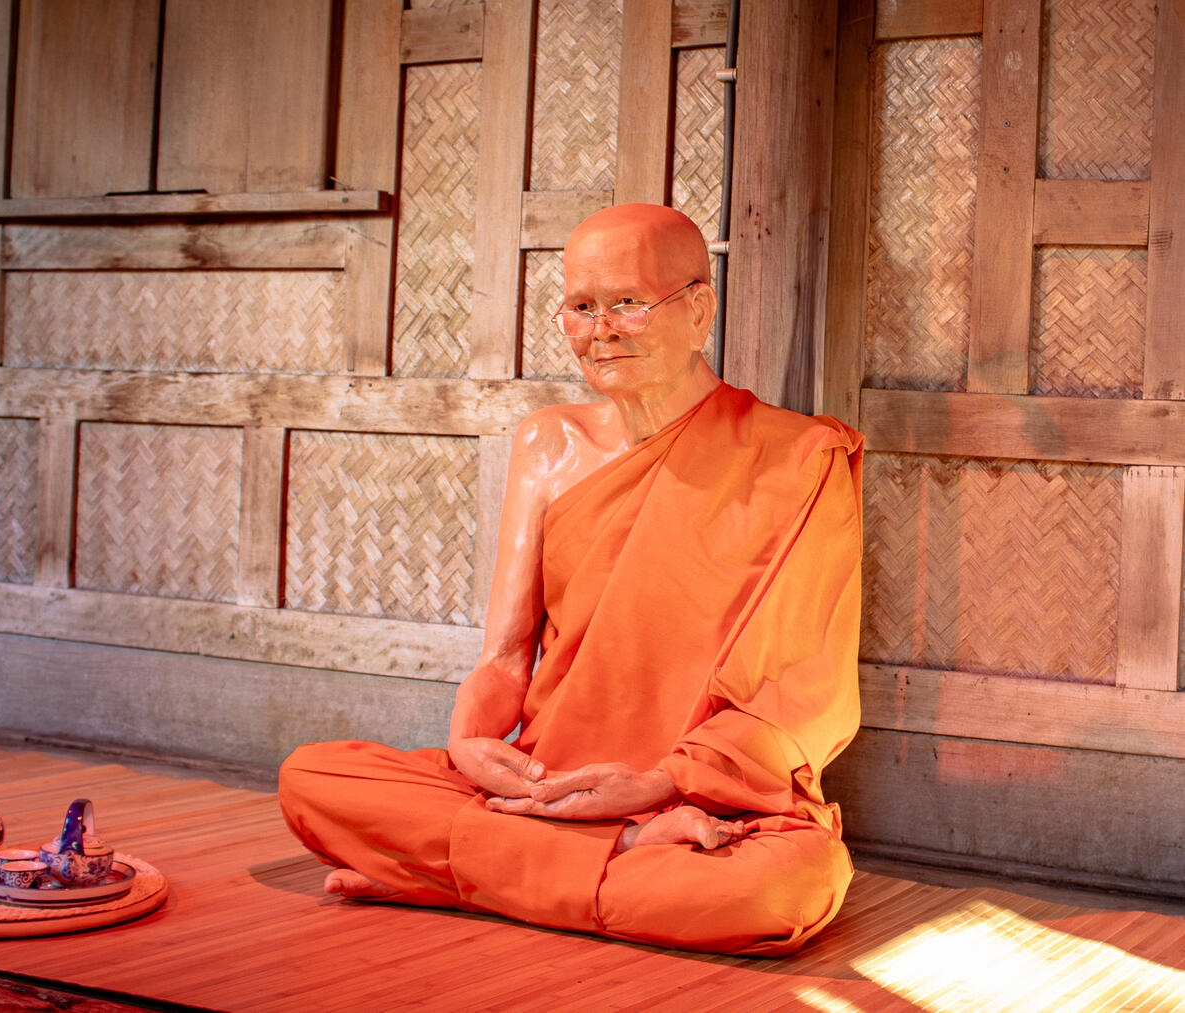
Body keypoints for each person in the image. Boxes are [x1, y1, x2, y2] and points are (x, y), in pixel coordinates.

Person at [279, 202, 864, 955]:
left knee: (779, 884)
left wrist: (656, 785)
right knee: (311, 777)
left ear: (699, 309)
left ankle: (462, 875)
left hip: (695, 795)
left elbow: (804, 691)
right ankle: (623, 853)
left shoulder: (799, 458)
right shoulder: (550, 441)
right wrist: (472, 740)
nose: (601, 330)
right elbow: (503, 656)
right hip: (543, 783)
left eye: (626, 302)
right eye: (581, 307)